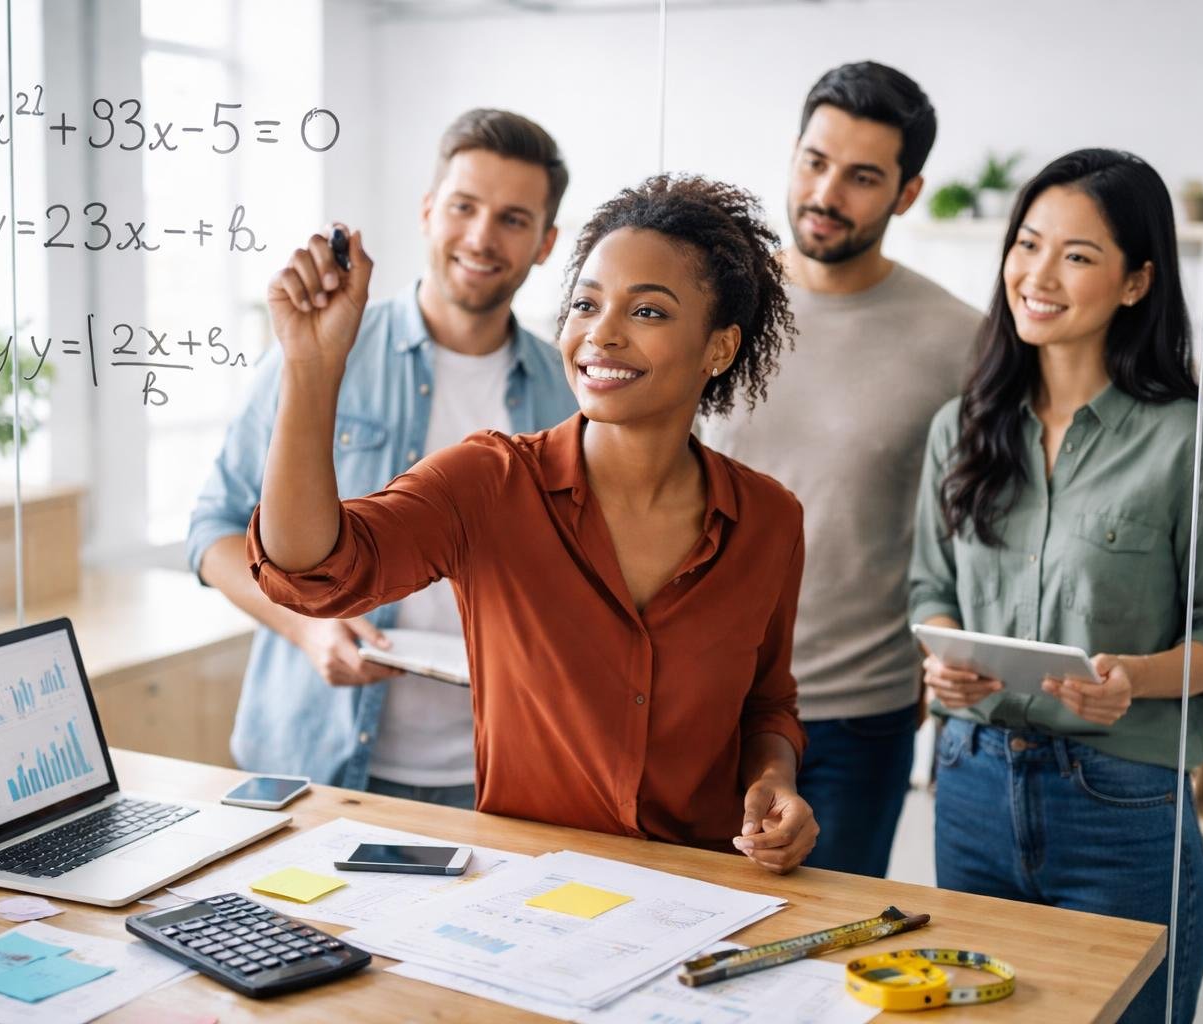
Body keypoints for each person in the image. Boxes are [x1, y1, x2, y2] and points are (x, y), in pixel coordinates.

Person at [247, 174, 817, 872]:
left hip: (701, 896)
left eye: (648, 312)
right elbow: (312, 569)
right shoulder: (491, 483)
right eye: (586, 303)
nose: (601, 334)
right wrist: (310, 364)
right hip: (523, 898)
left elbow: (767, 702)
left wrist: (774, 780)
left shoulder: (769, 520)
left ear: (719, 349)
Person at [909, 149, 1203, 1023]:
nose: (1038, 274)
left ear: (1137, 282)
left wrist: (1132, 680)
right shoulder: (961, 429)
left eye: (1076, 255)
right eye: (1027, 244)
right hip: (971, 781)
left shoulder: (1190, 444)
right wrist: (944, 657)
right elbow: (928, 588)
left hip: (1121, 798)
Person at [186, 109, 578, 808]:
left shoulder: (569, 390)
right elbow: (213, 531)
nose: (482, 237)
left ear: (545, 243)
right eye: (464, 207)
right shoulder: (324, 350)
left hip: (495, 775)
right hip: (313, 763)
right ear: (429, 211)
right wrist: (307, 625)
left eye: (514, 220)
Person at [700, 61, 980, 877]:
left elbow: (971, 526)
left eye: (862, 177)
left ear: (908, 192)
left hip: (859, 717)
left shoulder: (960, 339)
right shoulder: (713, 303)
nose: (828, 192)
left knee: (829, 955)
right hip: (697, 696)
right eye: (816, 162)